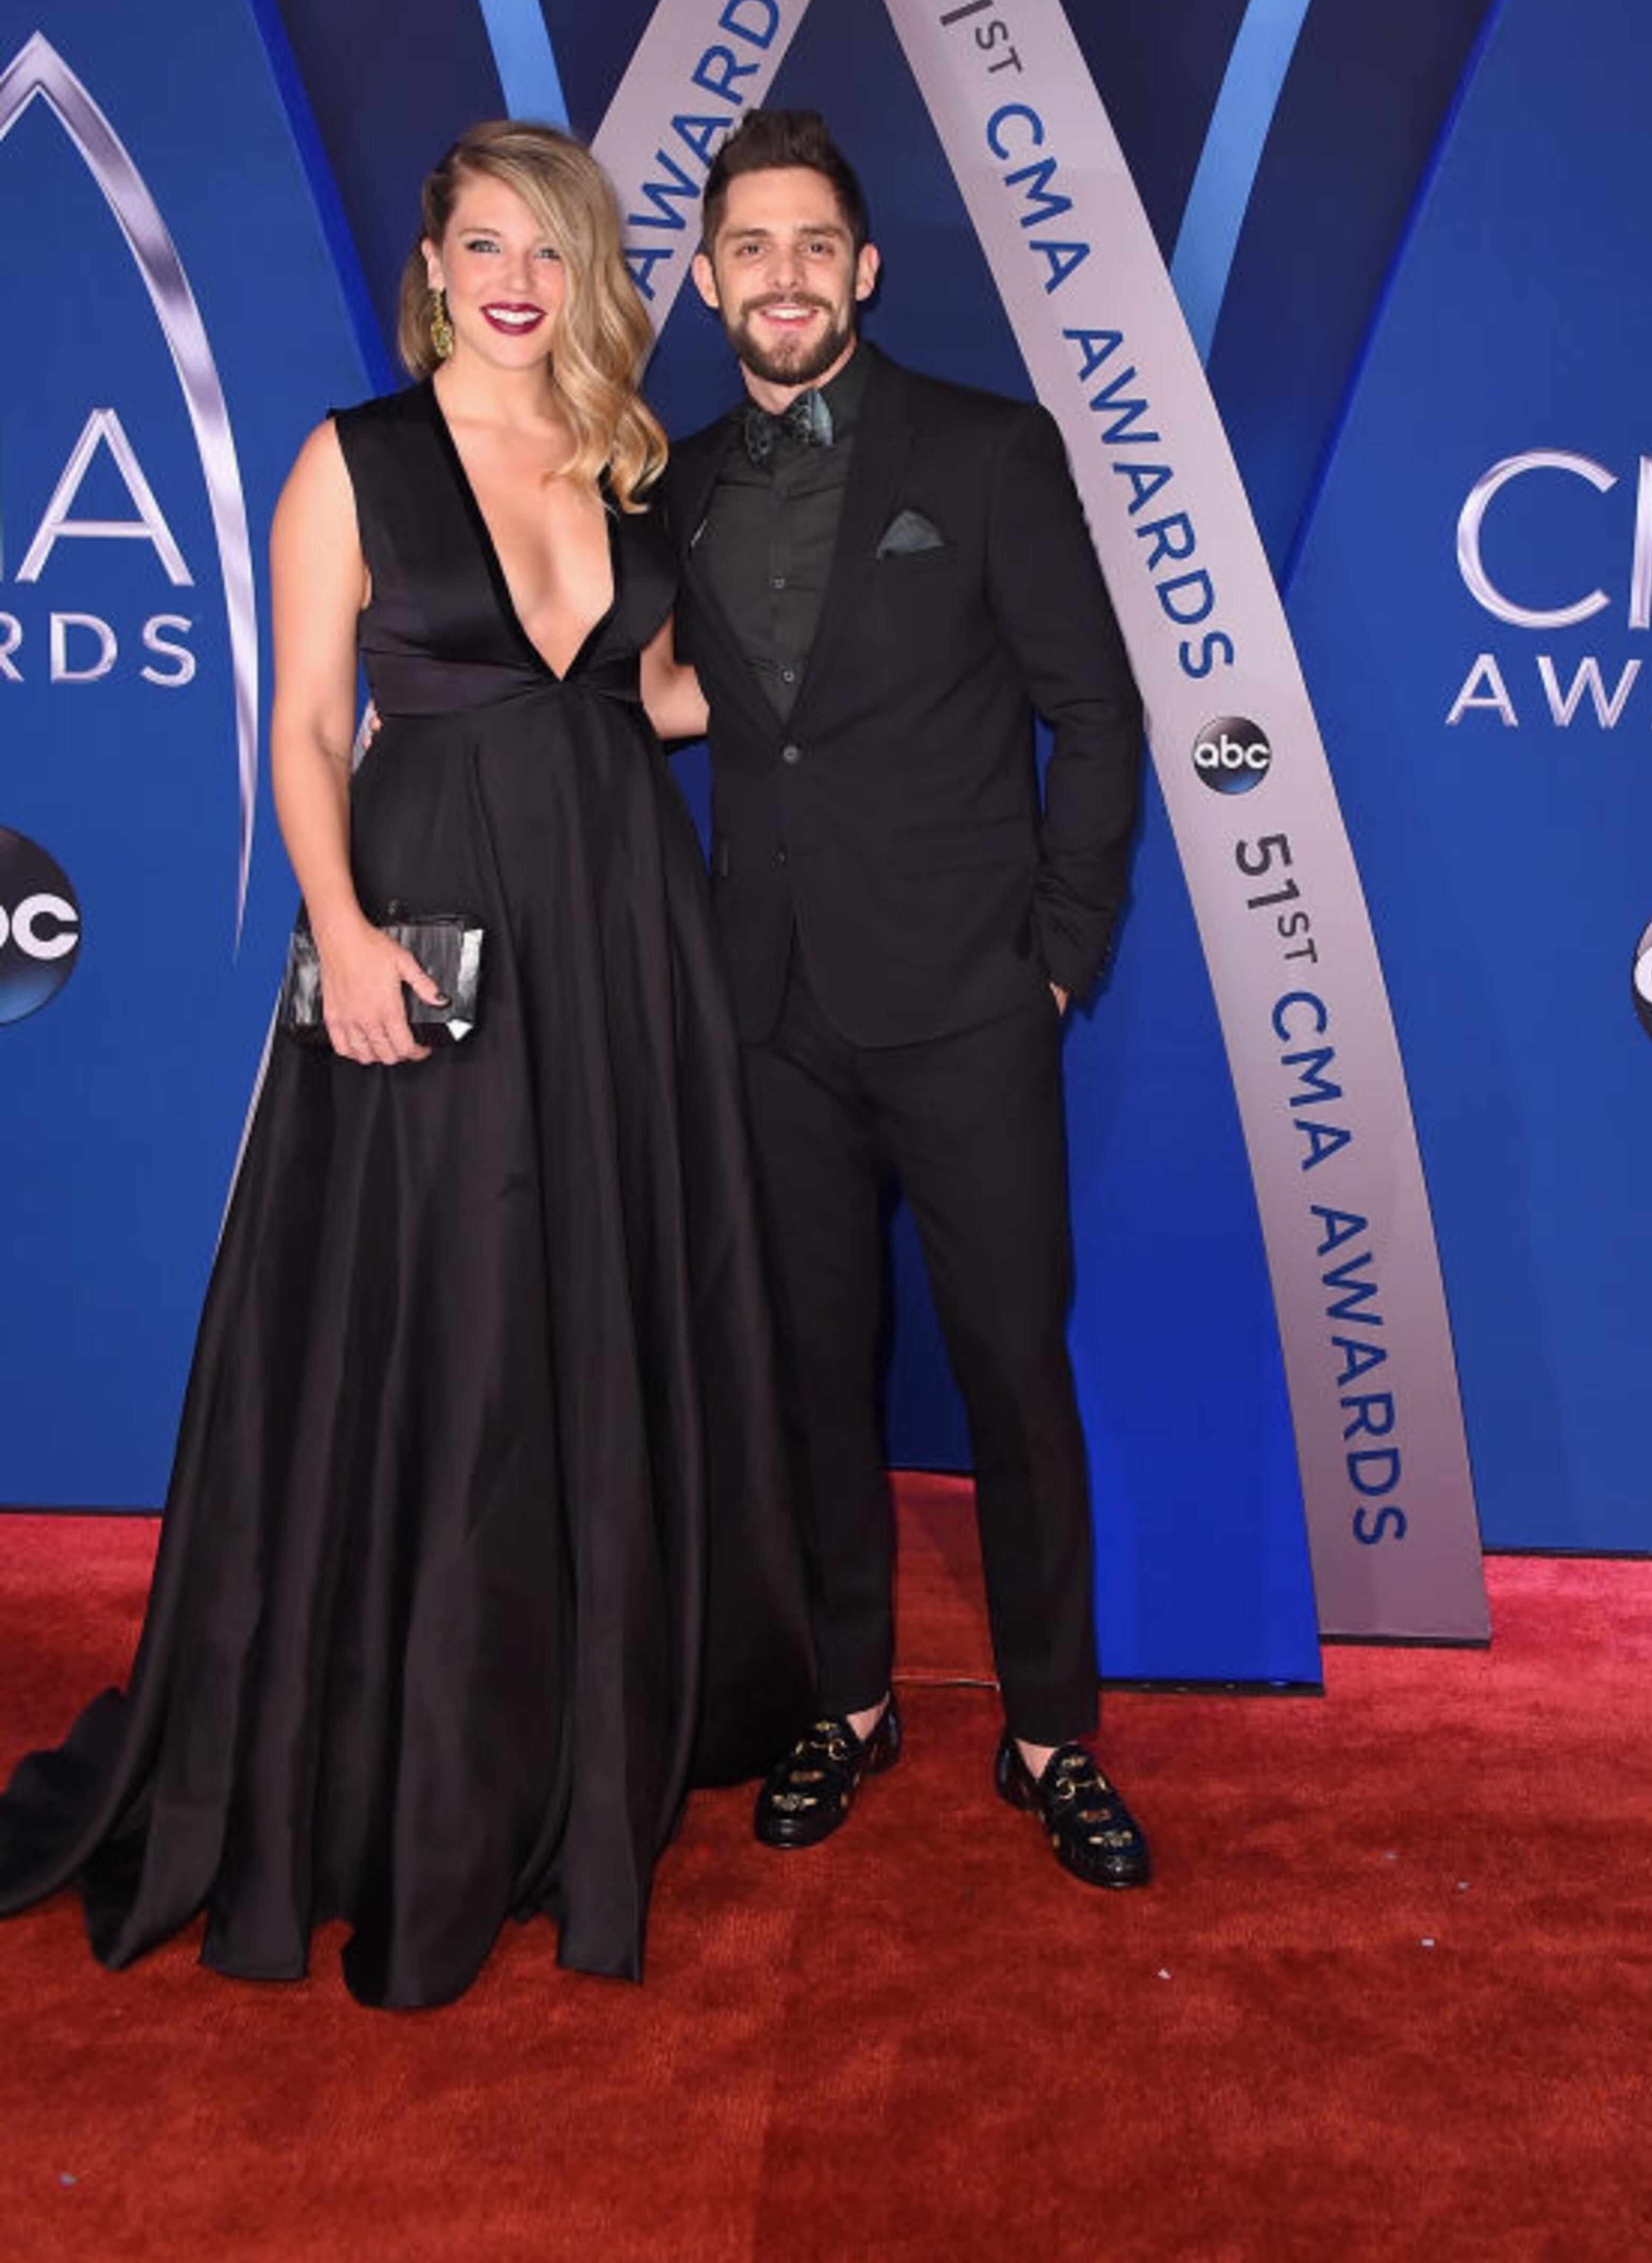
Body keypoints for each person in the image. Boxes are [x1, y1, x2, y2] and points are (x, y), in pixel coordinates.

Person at [0, 122, 810, 2007]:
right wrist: (342, 933)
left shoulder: (622, 459)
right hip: (429, 933)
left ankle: (571, 1722)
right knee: (443, 1324)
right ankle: (410, 1757)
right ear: (432, 266)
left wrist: (838, 648)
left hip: (620, 944)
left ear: (587, 270)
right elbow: (304, 725)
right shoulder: (349, 459)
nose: (517, 278)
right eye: (483, 244)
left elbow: (651, 697)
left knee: (586, 1316)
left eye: (550, 246)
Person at [665, 105, 1151, 1889]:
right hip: (771, 1011)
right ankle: (848, 1697)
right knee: (812, 1377)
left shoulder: (990, 449)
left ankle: (1051, 1734)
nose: (783, 275)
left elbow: (1096, 713)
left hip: (968, 1006)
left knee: (1013, 1371)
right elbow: (654, 698)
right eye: (751, 247)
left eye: (814, 244)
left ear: (863, 269)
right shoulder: (674, 484)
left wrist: (1057, 961)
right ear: (707, 279)